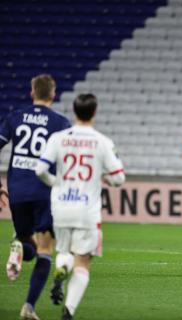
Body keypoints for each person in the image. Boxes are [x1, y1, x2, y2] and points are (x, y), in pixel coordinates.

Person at [36, 93, 125, 319]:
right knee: (83, 262)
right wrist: (105, 177)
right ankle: (69, 310)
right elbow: (119, 178)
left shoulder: (58, 138)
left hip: (61, 205)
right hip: (87, 209)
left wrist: (57, 184)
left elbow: (40, 170)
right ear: (94, 113)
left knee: (64, 250)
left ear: (74, 112)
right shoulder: (103, 142)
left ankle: (61, 268)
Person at [0, 74, 70, 319]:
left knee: (26, 240)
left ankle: (18, 245)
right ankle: (29, 306)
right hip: (44, 190)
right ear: (53, 94)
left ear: (32, 93)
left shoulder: (15, 117)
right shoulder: (61, 123)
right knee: (44, 249)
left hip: (17, 190)